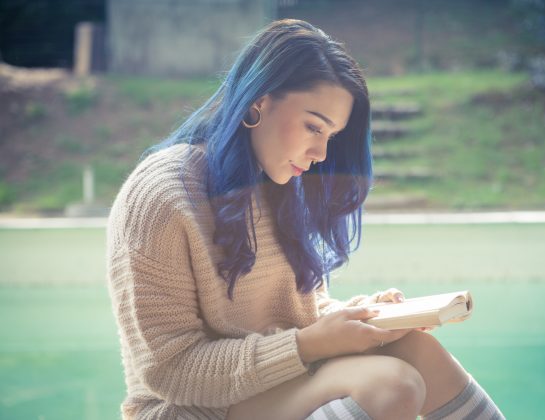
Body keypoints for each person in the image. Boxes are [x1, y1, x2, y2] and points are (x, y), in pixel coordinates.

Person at [106, 19, 504, 420]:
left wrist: (365, 317)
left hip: (270, 386)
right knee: (392, 385)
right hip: (187, 408)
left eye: (331, 135)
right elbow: (170, 371)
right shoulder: (162, 194)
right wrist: (309, 344)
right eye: (314, 126)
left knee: (416, 350)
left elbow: (297, 319)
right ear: (257, 102)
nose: (321, 154)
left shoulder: (278, 184)